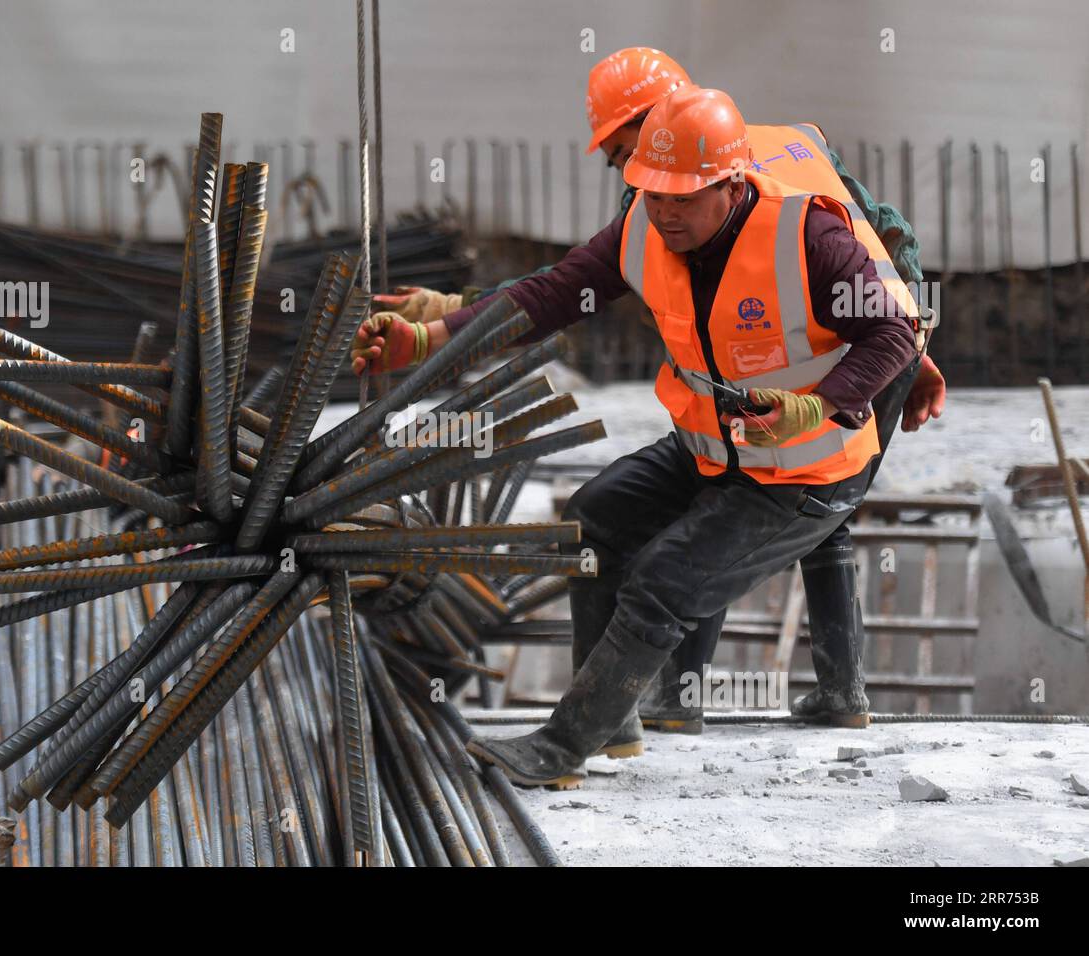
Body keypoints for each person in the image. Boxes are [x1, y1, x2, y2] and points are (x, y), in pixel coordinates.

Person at [354, 49, 945, 749]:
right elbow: (562, 288)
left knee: (759, 525)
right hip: (749, 404)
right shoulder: (665, 204)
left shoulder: (781, 203)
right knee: (664, 516)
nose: (644, 190)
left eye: (633, 154)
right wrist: (439, 331)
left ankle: (662, 713)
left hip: (851, 372)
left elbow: (877, 257)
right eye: (630, 170)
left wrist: (897, 362)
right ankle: (701, 705)